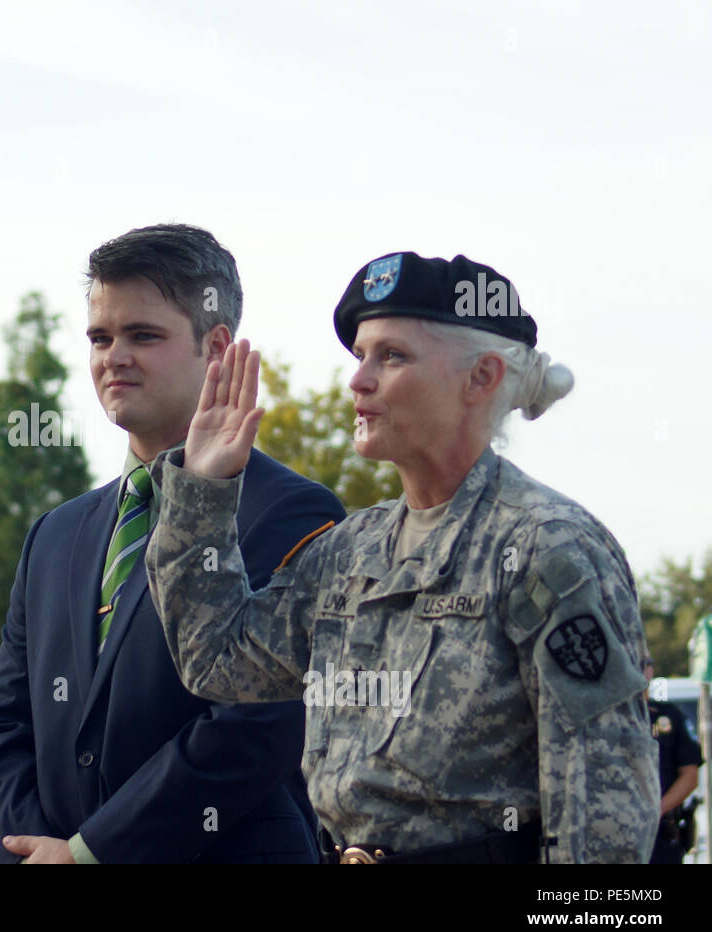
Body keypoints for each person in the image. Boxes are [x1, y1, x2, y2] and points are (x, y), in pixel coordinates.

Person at [147, 251, 659, 864]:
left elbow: (605, 818)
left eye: (391, 356)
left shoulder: (547, 548)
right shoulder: (350, 550)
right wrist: (201, 496)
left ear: (482, 377)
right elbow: (219, 663)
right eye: (360, 355)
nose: (358, 380)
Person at [0, 224, 345, 864]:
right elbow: (2, 724)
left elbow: (254, 727)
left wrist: (92, 853)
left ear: (217, 345)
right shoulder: (54, 535)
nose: (113, 356)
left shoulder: (293, 512)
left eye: (143, 335)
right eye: (100, 337)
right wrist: (29, 855)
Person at [644, 660, 702, 864]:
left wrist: (655, 812)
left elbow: (690, 775)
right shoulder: (608, 719)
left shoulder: (668, 716)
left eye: (645, 665)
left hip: (661, 832)